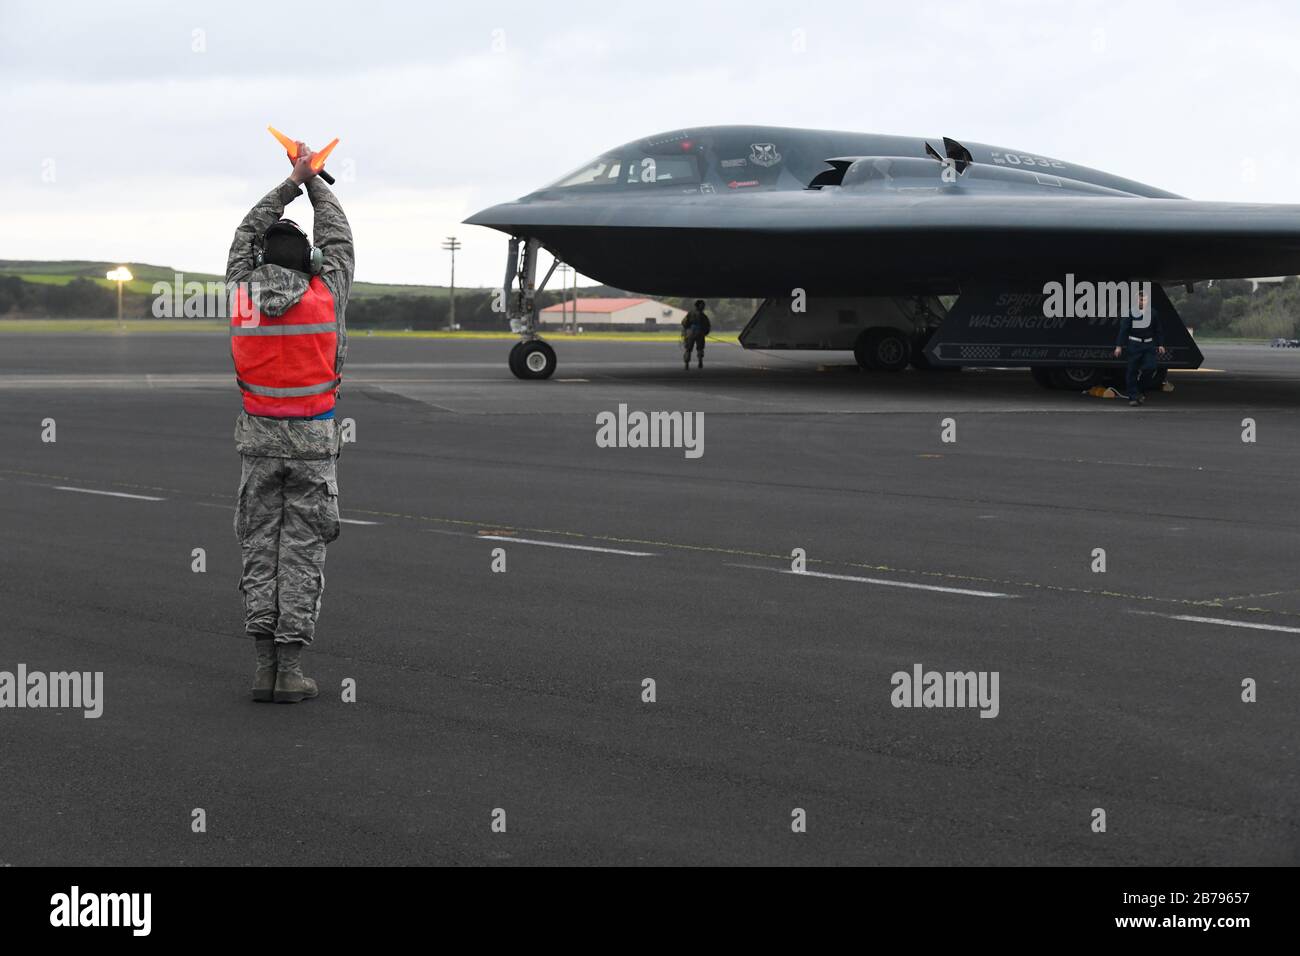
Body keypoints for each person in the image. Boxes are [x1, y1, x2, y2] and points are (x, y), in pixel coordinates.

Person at [225, 142, 354, 703]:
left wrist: (287, 184)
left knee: (260, 548)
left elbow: (242, 236)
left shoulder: (240, 298)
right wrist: (314, 179)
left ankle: (261, 668)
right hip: (312, 444)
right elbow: (339, 235)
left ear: (256, 263)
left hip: (258, 442)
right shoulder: (327, 294)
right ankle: (291, 671)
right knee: (301, 553)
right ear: (313, 263)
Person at [1112, 287, 1165, 406]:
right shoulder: (1130, 313)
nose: (1143, 301)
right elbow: (1124, 330)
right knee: (1132, 371)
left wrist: (1160, 344)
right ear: (1137, 301)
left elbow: (1158, 330)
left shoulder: (1153, 313)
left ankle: (1140, 390)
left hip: (1149, 345)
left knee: (1150, 368)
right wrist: (1119, 346)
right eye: (1141, 299)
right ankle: (1133, 397)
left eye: (1145, 299)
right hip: (1134, 345)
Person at [681, 299, 711, 369]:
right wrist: (705, 332)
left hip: (690, 333)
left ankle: (686, 364)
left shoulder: (690, 313)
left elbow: (684, 323)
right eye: (702, 305)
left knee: (688, 349)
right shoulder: (703, 315)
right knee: (700, 348)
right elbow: (707, 325)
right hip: (700, 333)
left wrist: (686, 331)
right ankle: (700, 361)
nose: (703, 307)